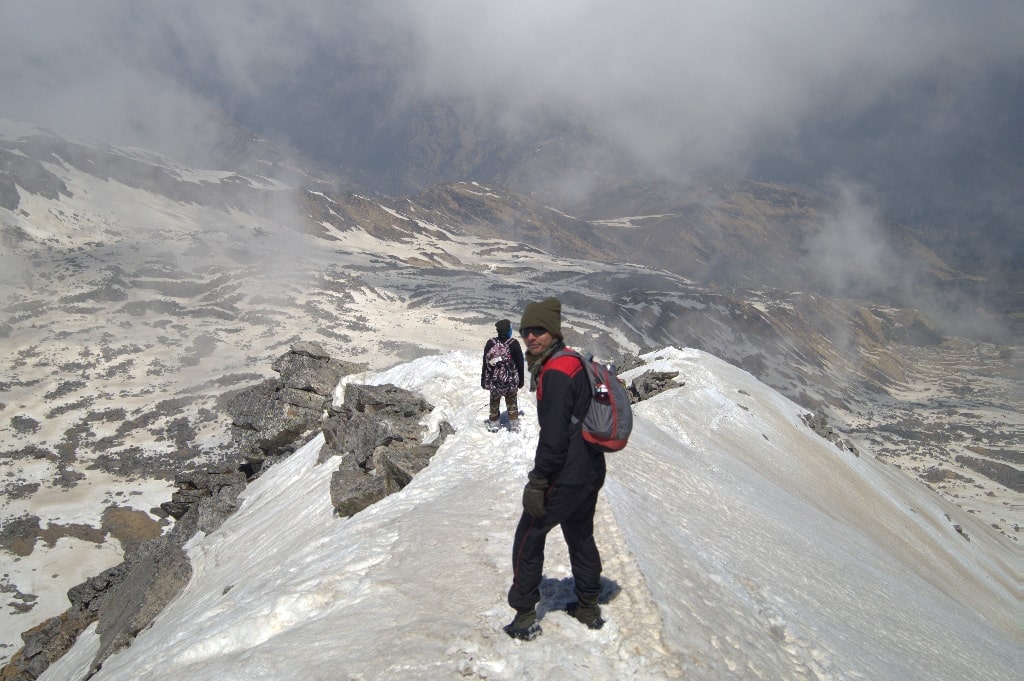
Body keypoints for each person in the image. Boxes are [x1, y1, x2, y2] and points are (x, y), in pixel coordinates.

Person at [504, 297, 607, 641]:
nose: (531, 337)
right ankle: (589, 605)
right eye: (526, 331)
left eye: (539, 330)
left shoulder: (556, 372)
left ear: (553, 332)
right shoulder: (572, 361)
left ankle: (523, 616)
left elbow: (553, 437)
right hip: (590, 469)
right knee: (580, 535)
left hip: (566, 474)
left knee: (528, 537)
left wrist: (538, 481)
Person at [481, 319, 525, 432]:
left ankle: (494, 425)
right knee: (512, 404)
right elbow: (520, 364)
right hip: (511, 382)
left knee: (494, 404)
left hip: (495, 382)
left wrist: (484, 379)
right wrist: (521, 380)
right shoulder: (514, 344)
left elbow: (486, 363)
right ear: (508, 330)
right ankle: (514, 426)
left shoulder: (490, 343)